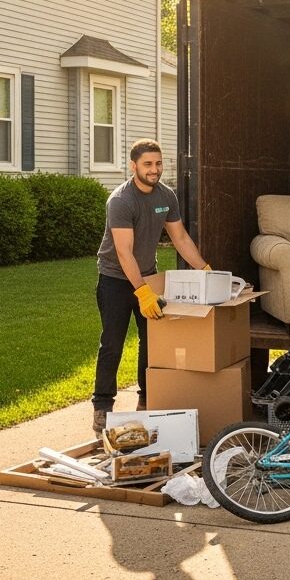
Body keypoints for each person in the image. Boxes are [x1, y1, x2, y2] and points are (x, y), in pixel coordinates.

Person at [92, 139, 210, 433]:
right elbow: (123, 252)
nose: (154, 169)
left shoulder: (166, 196)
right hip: (115, 280)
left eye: (158, 163)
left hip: (148, 275)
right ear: (134, 166)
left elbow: (180, 238)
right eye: (147, 164)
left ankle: (147, 399)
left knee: (151, 343)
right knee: (112, 343)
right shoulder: (121, 201)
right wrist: (141, 292)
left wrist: (205, 269)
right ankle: (103, 406)